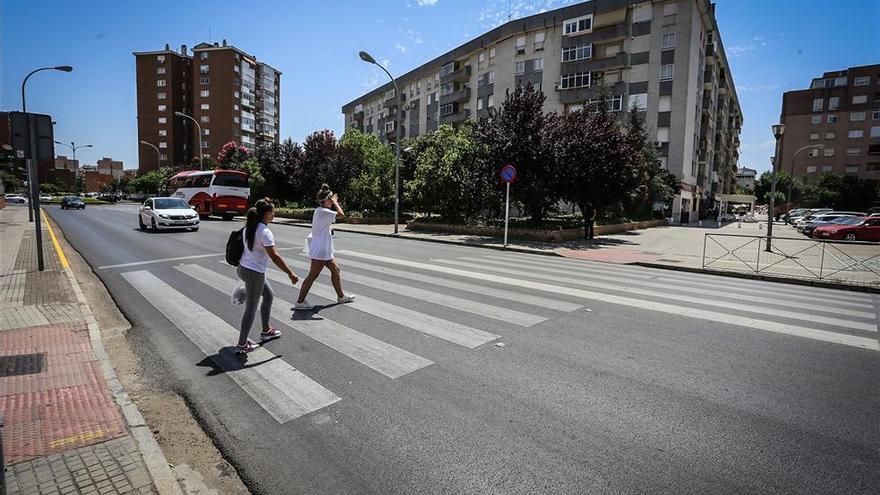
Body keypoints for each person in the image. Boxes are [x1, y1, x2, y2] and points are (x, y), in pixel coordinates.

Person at [235, 198, 299, 354]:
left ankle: (266, 330)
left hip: (244, 268)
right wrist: (290, 273)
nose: (274, 214)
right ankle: (242, 344)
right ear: (267, 214)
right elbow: (275, 257)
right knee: (251, 308)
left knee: (269, 295)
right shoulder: (264, 232)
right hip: (253, 273)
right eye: (273, 212)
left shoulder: (249, 227)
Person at [294, 184, 354, 310]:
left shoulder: (320, 211)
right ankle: (299, 301)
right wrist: (336, 202)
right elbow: (342, 214)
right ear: (326, 200)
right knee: (312, 276)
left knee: (335, 269)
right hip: (320, 250)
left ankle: (341, 296)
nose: (332, 202)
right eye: (330, 200)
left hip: (324, 248)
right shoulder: (323, 212)